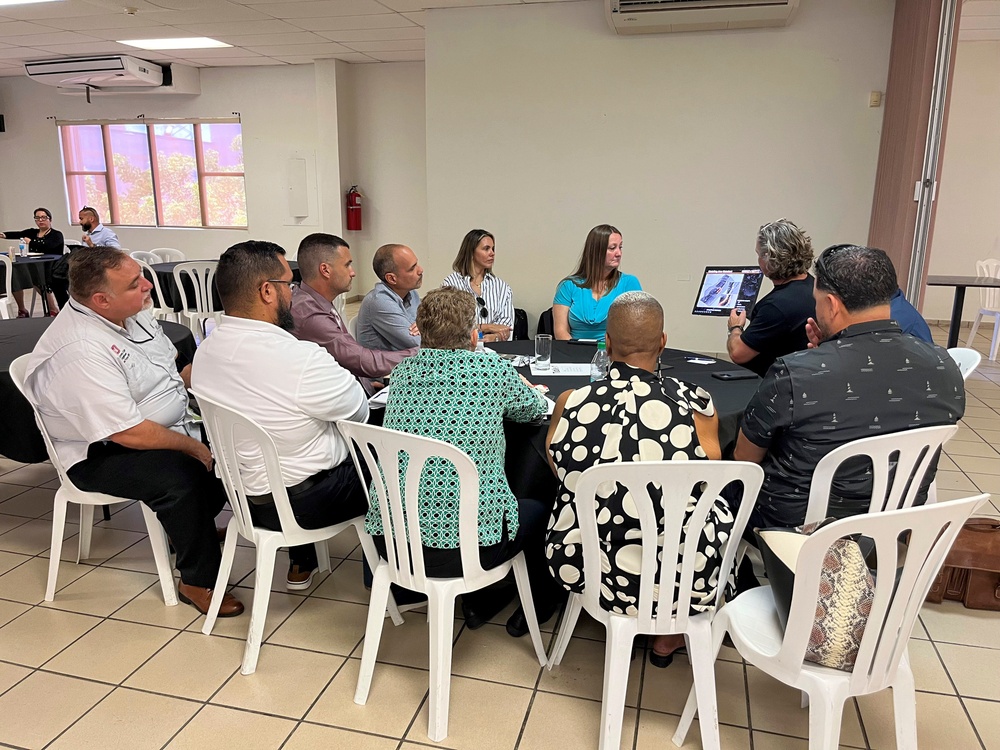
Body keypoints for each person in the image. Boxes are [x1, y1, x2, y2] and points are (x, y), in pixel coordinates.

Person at [22, 247, 243, 618]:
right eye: (134, 284)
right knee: (182, 475)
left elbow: (175, 368)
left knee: (235, 447)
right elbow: (128, 433)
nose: (147, 286)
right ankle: (197, 579)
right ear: (101, 300)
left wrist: (230, 390)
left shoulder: (132, 314)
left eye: (141, 276)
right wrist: (194, 447)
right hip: (99, 450)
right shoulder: (81, 350)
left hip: (156, 428)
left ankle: (192, 526)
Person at [545, 291, 734, 668]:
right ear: (663, 342)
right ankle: (669, 629)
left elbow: (562, 471)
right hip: (685, 572)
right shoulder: (696, 404)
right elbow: (708, 478)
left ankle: (609, 608)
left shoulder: (572, 401)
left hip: (589, 565)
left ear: (608, 343)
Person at [365, 286, 564, 636]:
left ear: (420, 330)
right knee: (543, 504)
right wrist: (526, 389)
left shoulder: (402, 374)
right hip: (471, 550)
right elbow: (533, 409)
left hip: (395, 544)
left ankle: (486, 596)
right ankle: (537, 598)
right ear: (474, 334)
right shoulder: (490, 369)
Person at [734, 244, 966, 530]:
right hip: (896, 523)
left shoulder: (794, 374)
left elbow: (745, 459)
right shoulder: (944, 364)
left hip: (797, 528)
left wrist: (818, 360)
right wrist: (829, 351)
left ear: (831, 304)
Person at [192, 240, 371, 590]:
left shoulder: (206, 352)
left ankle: (302, 561)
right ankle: (401, 582)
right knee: (397, 462)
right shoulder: (299, 358)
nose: (294, 293)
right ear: (267, 291)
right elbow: (359, 409)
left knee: (292, 441)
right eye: (289, 284)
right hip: (306, 503)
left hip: (243, 500)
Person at [291, 233, 417, 394]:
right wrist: (425, 352)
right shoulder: (310, 315)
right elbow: (362, 361)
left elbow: (347, 358)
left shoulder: (317, 301)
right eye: (347, 265)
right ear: (325, 270)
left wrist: (367, 385)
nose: (353, 273)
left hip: (360, 387)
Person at [726, 219, 815, 377]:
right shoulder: (815, 288)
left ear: (769, 258)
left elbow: (738, 353)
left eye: (759, 255)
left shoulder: (775, 306)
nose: (758, 261)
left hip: (775, 387)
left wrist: (735, 327)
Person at [552, 224, 642, 341]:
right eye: (612, 248)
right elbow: (561, 331)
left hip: (614, 353)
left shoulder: (629, 283)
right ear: (596, 251)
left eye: (620, 247)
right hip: (574, 352)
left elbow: (637, 328)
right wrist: (576, 354)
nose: (618, 253)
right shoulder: (568, 286)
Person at [442, 229, 514, 342]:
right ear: (471, 252)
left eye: (493, 249)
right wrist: (487, 327)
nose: (492, 253)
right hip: (460, 350)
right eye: (486, 249)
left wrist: (495, 337)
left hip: (494, 351)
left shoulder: (502, 287)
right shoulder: (451, 284)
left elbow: (507, 329)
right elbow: (448, 326)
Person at [356, 244, 422, 351]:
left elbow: (425, 323)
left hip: (407, 361)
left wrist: (424, 326)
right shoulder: (379, 302)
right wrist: (426, 328)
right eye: (412, 268)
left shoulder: (411, 292)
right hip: (387, 366)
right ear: (391, 278)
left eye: (417, 264)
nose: (420, 270)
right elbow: (417, 343)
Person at [1, 207, 64, 317]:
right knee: (15, 275)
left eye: (44, 217)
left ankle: (52, 308)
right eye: (37, 218)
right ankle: (22, 309)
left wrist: (31, 242)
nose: (40, 220)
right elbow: (18, 234)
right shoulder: (32, 232)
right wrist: (3, 235)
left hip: (51, 266)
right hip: (34, 264)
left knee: (38, 278)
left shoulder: (56, 234)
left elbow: (49, 247)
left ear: (50, 219)